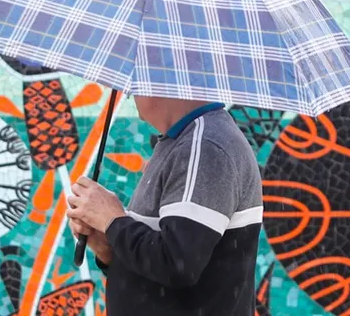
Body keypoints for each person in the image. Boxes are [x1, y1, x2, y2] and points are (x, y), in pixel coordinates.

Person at [67, 97, 262, 316]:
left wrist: (113, 221)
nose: (131, 94)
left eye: (139, 84)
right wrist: (109, 246)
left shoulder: (204, 147)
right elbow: (160, 269)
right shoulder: (182, 142)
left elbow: (178, 264)